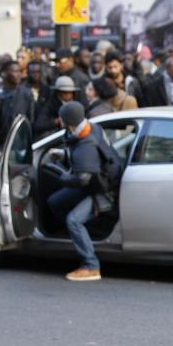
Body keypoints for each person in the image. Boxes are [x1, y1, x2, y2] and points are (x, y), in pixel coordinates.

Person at [46, 101, 116, 281]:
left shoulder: (86, 145)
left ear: (67, 122)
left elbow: (81, 178)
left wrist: (62, 177)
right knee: (55, 202)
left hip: (100, 190)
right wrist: (63, 155)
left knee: (74, 221)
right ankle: (82, 239)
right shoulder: (92, 128)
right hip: (94, 183)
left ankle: (91, 266)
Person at [0, 61, 34, 155]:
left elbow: (30, 119)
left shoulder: (26, 93)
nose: (19, 74)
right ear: (4, 73)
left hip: (19, 143)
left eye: (19, 71)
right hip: (0, 144)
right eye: (15, 71)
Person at [33, 75, 77, 140]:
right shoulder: (50, 105)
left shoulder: (76, 103)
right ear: (58, 93)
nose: (68, 95)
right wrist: (56, 121)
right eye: (65, 92)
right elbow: (39, 125)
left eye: (70, 92)